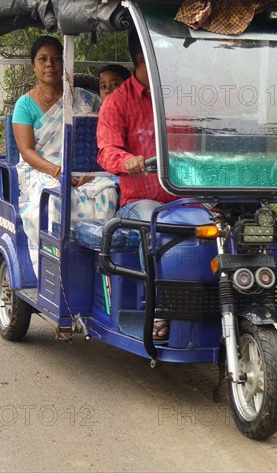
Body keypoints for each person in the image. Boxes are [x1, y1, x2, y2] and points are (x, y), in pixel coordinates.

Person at [12, 36, 118, 277]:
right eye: (43, 59)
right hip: (41, 170)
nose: (50, 64)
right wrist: (58, 171)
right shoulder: (24, 105)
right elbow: (27, 151)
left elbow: (102, 139)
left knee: (108, 191)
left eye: (56, 59)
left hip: (86, 170)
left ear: (64, 63)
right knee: (49, 200)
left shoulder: (86, 99)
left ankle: (99, 266)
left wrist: (89, 173)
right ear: (34, 65)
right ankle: (55, 269)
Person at [97, 30, 177, 341]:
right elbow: (106, 151)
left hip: (183, 197)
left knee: (220, 225)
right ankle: (158, 307)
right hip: (139, 200)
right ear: (144, 59)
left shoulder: (177, 97)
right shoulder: (117, 102)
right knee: (154, 220)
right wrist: (127, 160)